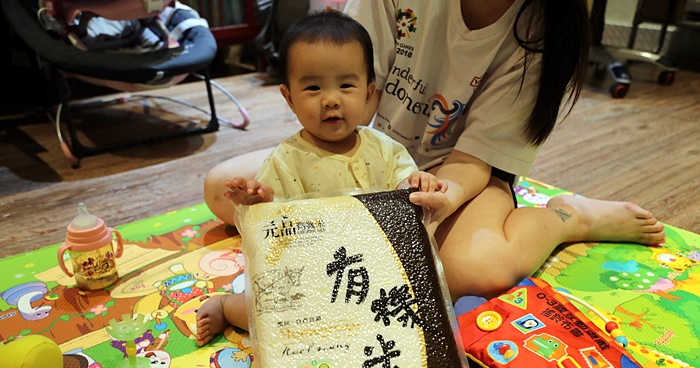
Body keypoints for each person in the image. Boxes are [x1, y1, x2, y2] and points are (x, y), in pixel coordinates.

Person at [203, 1, 665, 305]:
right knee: (224, 190)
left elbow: (476, 159)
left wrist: (442, 195)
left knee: (472, 269)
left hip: (460, 169)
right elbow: (347, 94)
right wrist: (304, 168)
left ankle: (569, 218)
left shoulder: (542, 31)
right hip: (376, 152)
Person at [196, 10, 448, 346]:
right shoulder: (286, 160)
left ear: (369, 91)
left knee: (419, 304)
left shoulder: (384, 148)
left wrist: (416, 184)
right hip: (311, 275)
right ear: (289, 98)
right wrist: (258, 203)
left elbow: (404, 187)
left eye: (346, 85)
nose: (330, 99)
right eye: (313, 87)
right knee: (270, 314)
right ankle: (228, 307)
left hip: (373, 268)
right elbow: (271, 232)